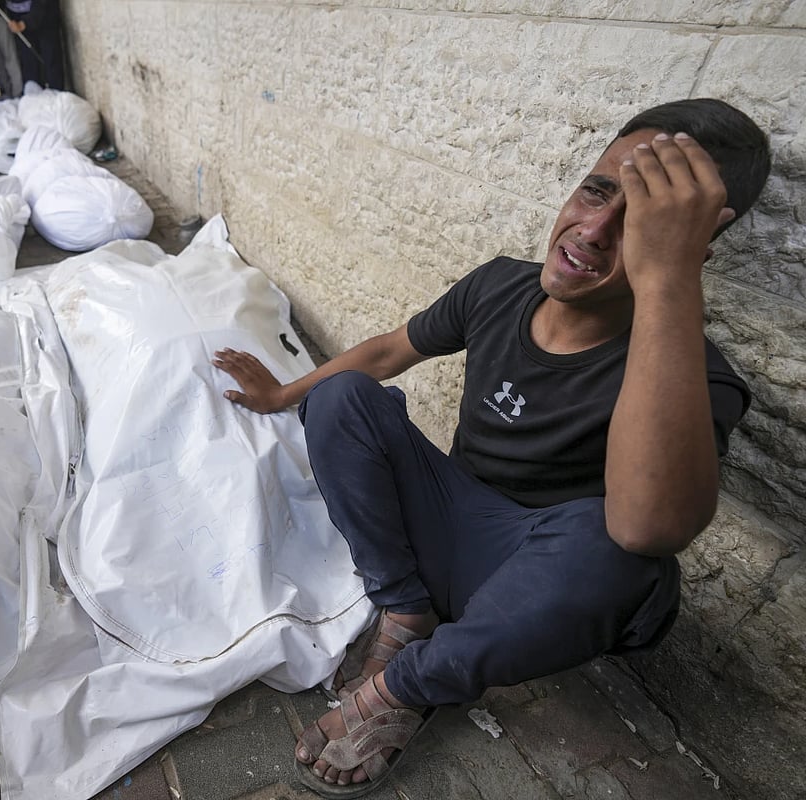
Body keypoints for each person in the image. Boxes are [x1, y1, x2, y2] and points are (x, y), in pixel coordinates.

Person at [211, 98, 770, 796]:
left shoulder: (694, 374)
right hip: (446, 528)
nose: (594, 230)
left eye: (641, 225)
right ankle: (407, 614)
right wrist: (283, 395)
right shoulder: (500, 285)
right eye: (598, 190)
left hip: (536, 581)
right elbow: (387, 350)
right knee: (342, 395)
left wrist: (666, 282)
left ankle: (409, 688)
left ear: (686, 251)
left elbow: (646, 526)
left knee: (627, 555)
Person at [1, 0, 61, 90]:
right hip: (17, 17)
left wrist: (26, 23)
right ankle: (33, 95)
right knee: (28, 61)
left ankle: (56, 93)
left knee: (51, 57)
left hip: (44, 15)